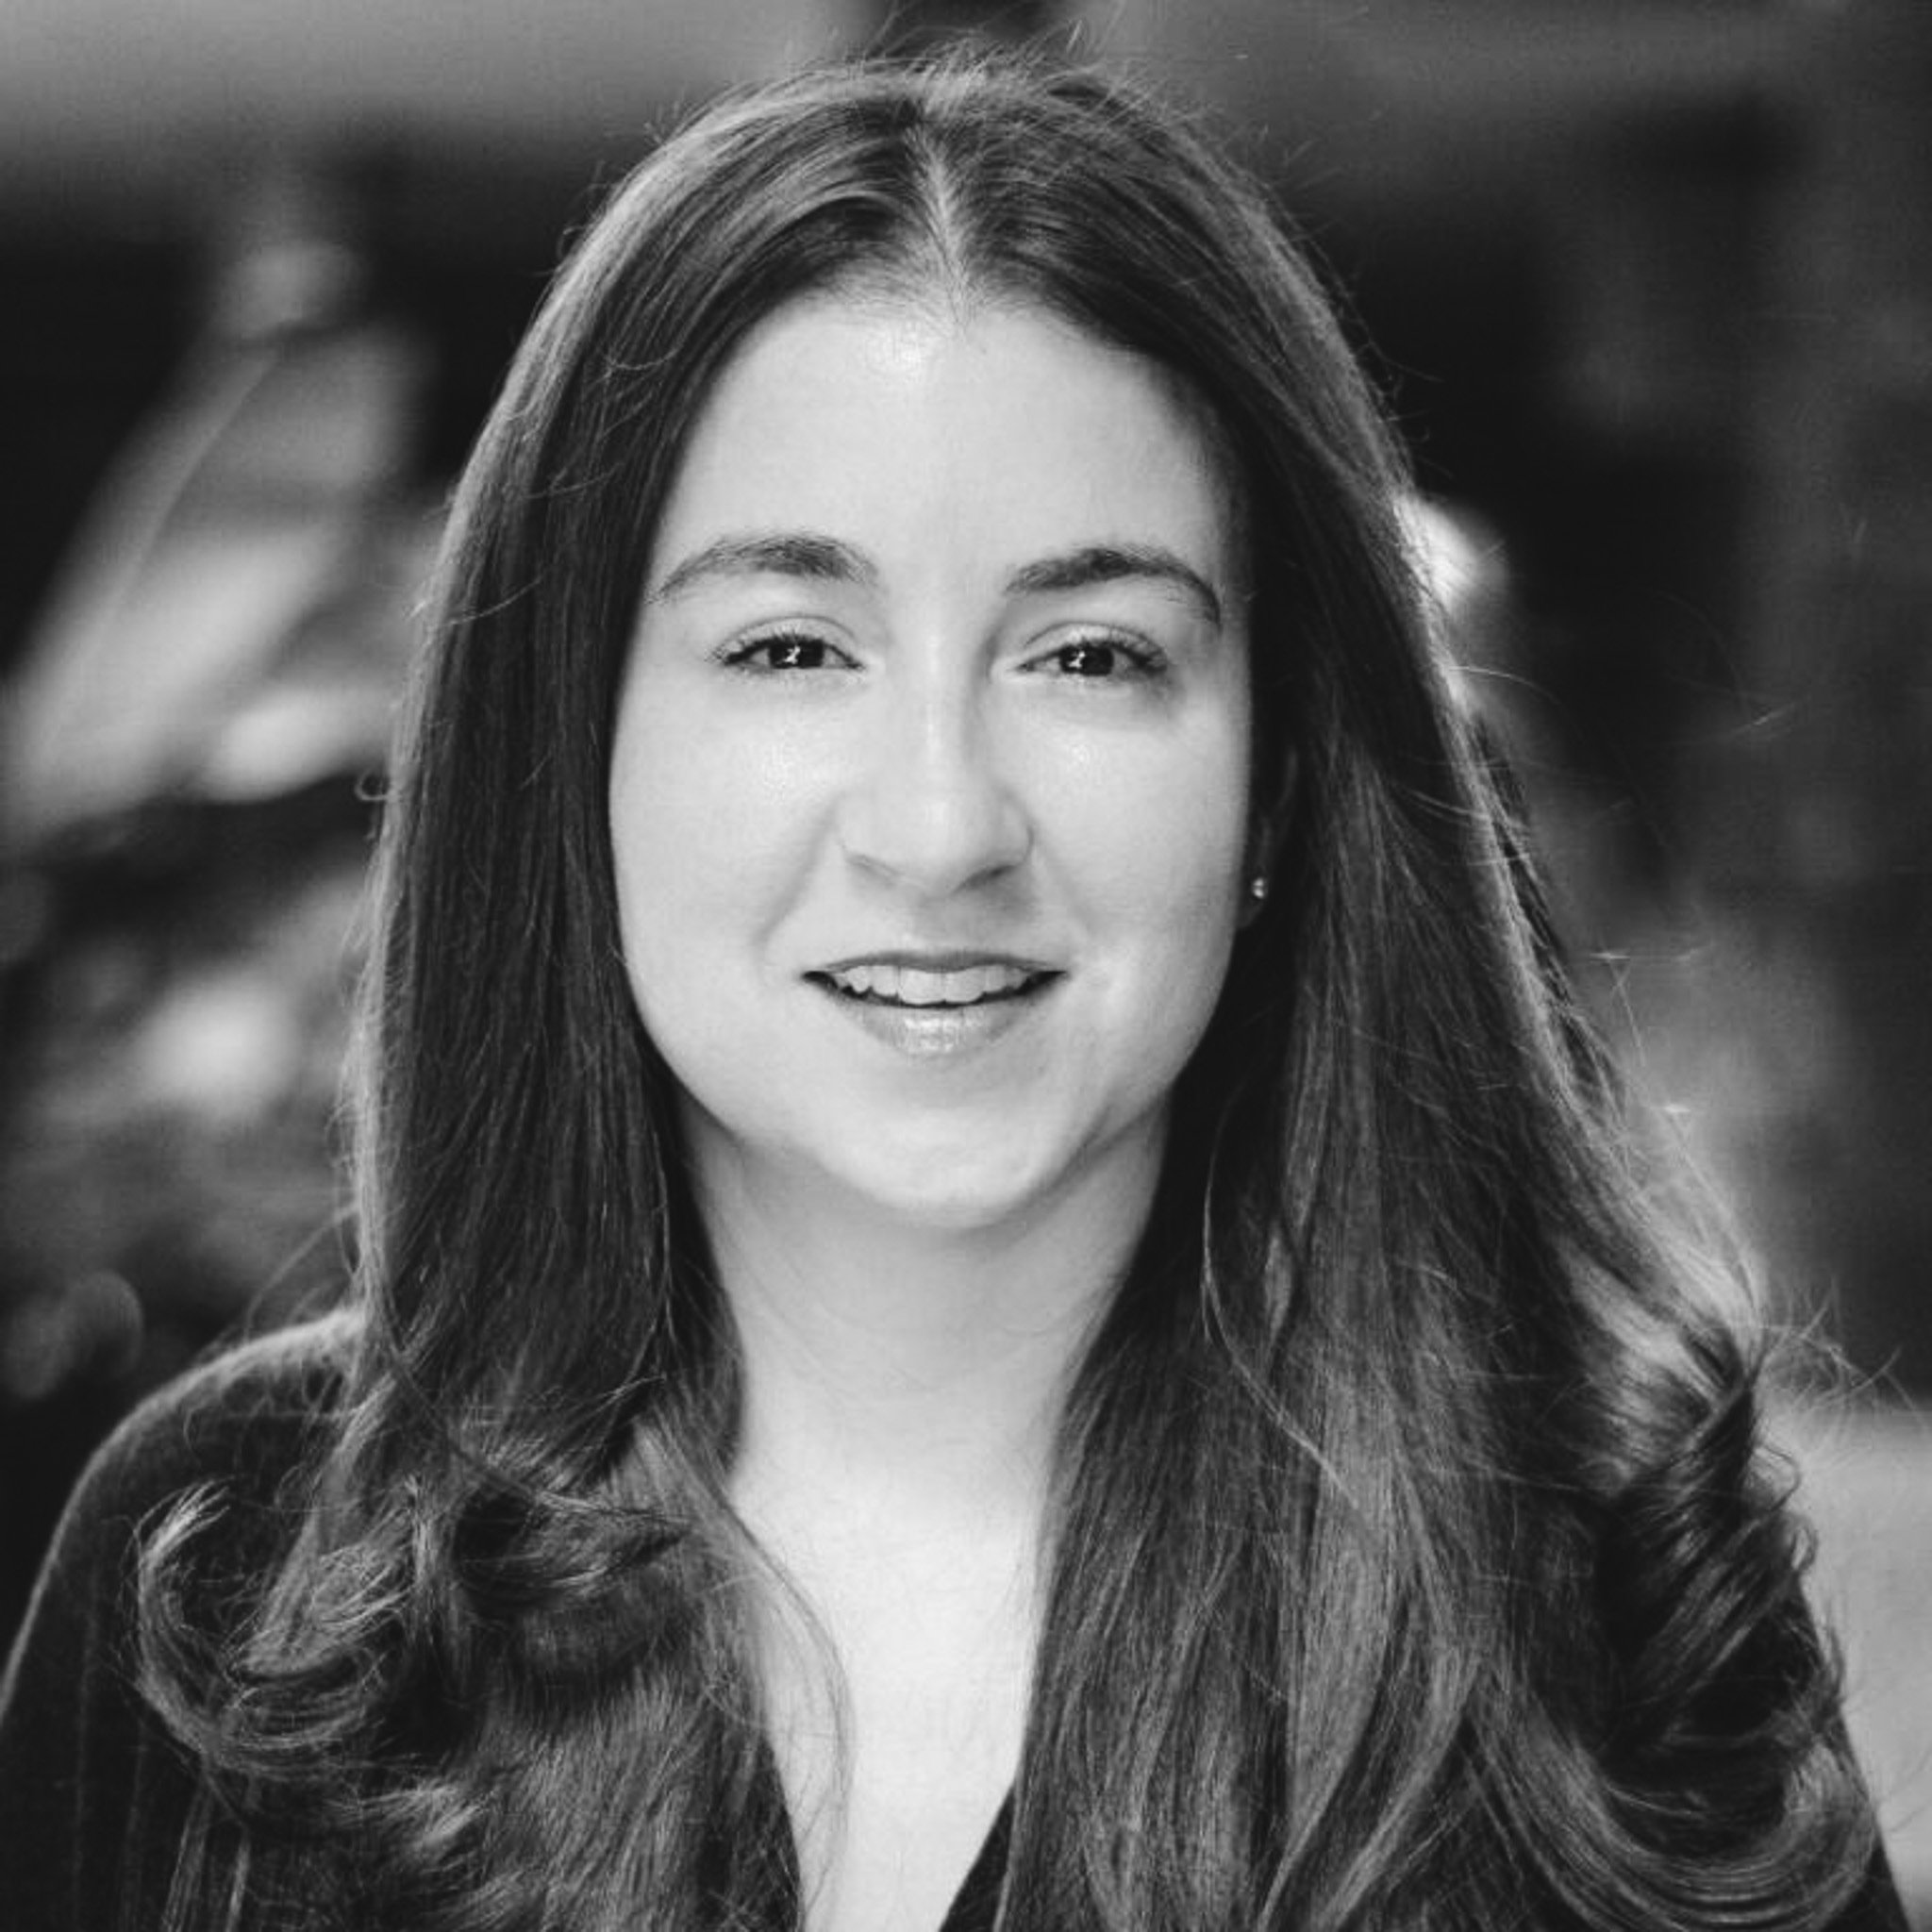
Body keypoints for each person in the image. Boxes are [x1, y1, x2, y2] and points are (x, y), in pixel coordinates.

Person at [0, 49, 1907, 1932]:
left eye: (1087, 655)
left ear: (1278, 784)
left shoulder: (1595, 1617)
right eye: (788, 643)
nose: (938, 823)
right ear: (567, 752)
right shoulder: (235, 1559)